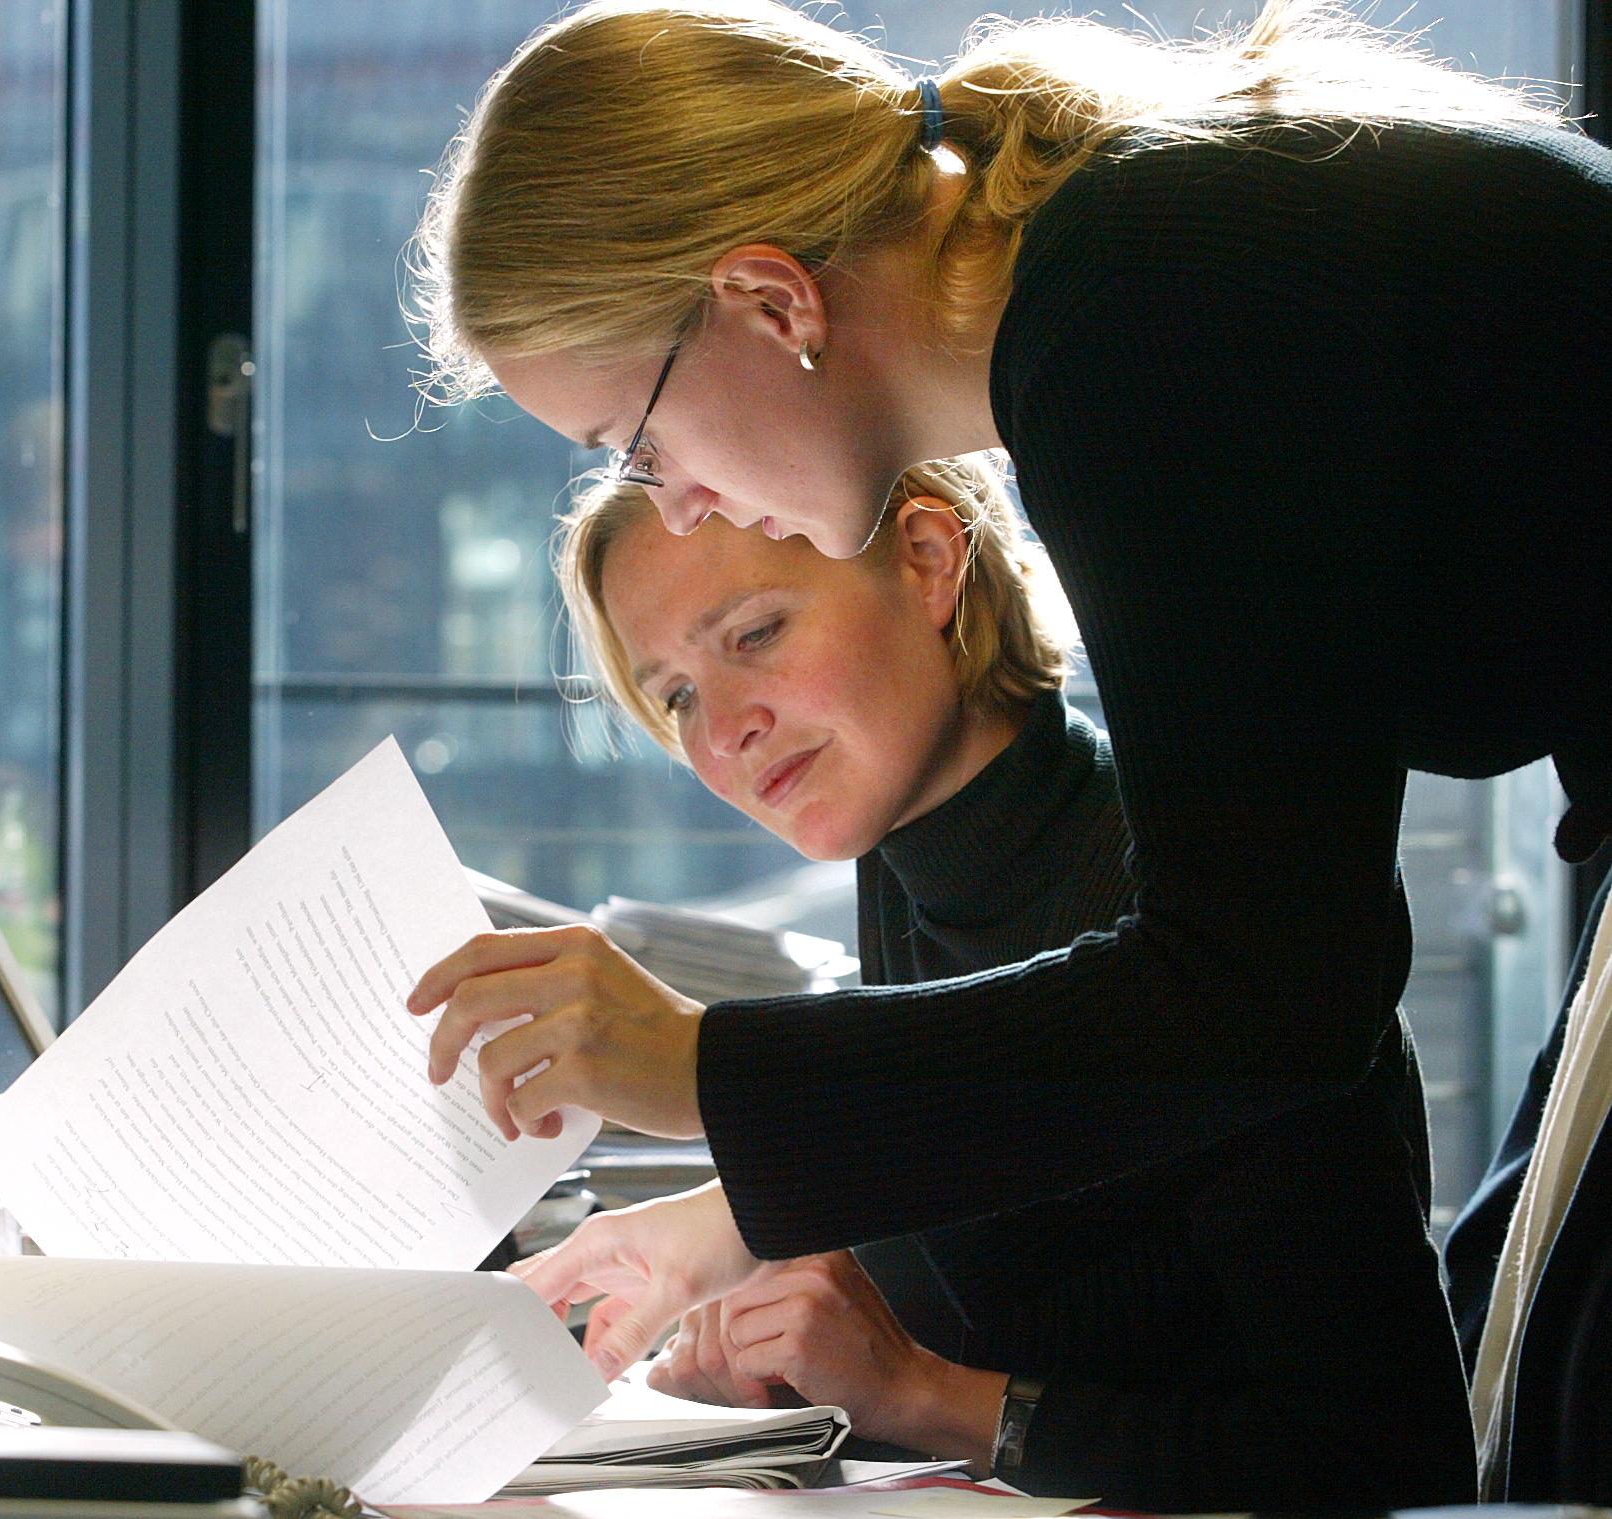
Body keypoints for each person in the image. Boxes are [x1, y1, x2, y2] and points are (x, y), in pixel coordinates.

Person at [397, 0, 1612, 1493]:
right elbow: (1276, 972)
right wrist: (735, 1198)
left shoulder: (1140, 315)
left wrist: (707, 1066)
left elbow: (1267, 984)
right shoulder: (1135, 262)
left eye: (635, 447)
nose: (682, 504)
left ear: (772, 302)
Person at [554, 464, 1469, 1506]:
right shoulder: (903, 858)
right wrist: (804, 1296)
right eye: (673, 693)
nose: (719, 731)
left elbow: (1387, 1455)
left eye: (755, 634)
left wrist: (917, 1391)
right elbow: (1025, 1189)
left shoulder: (1188, 910)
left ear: (929, 562)